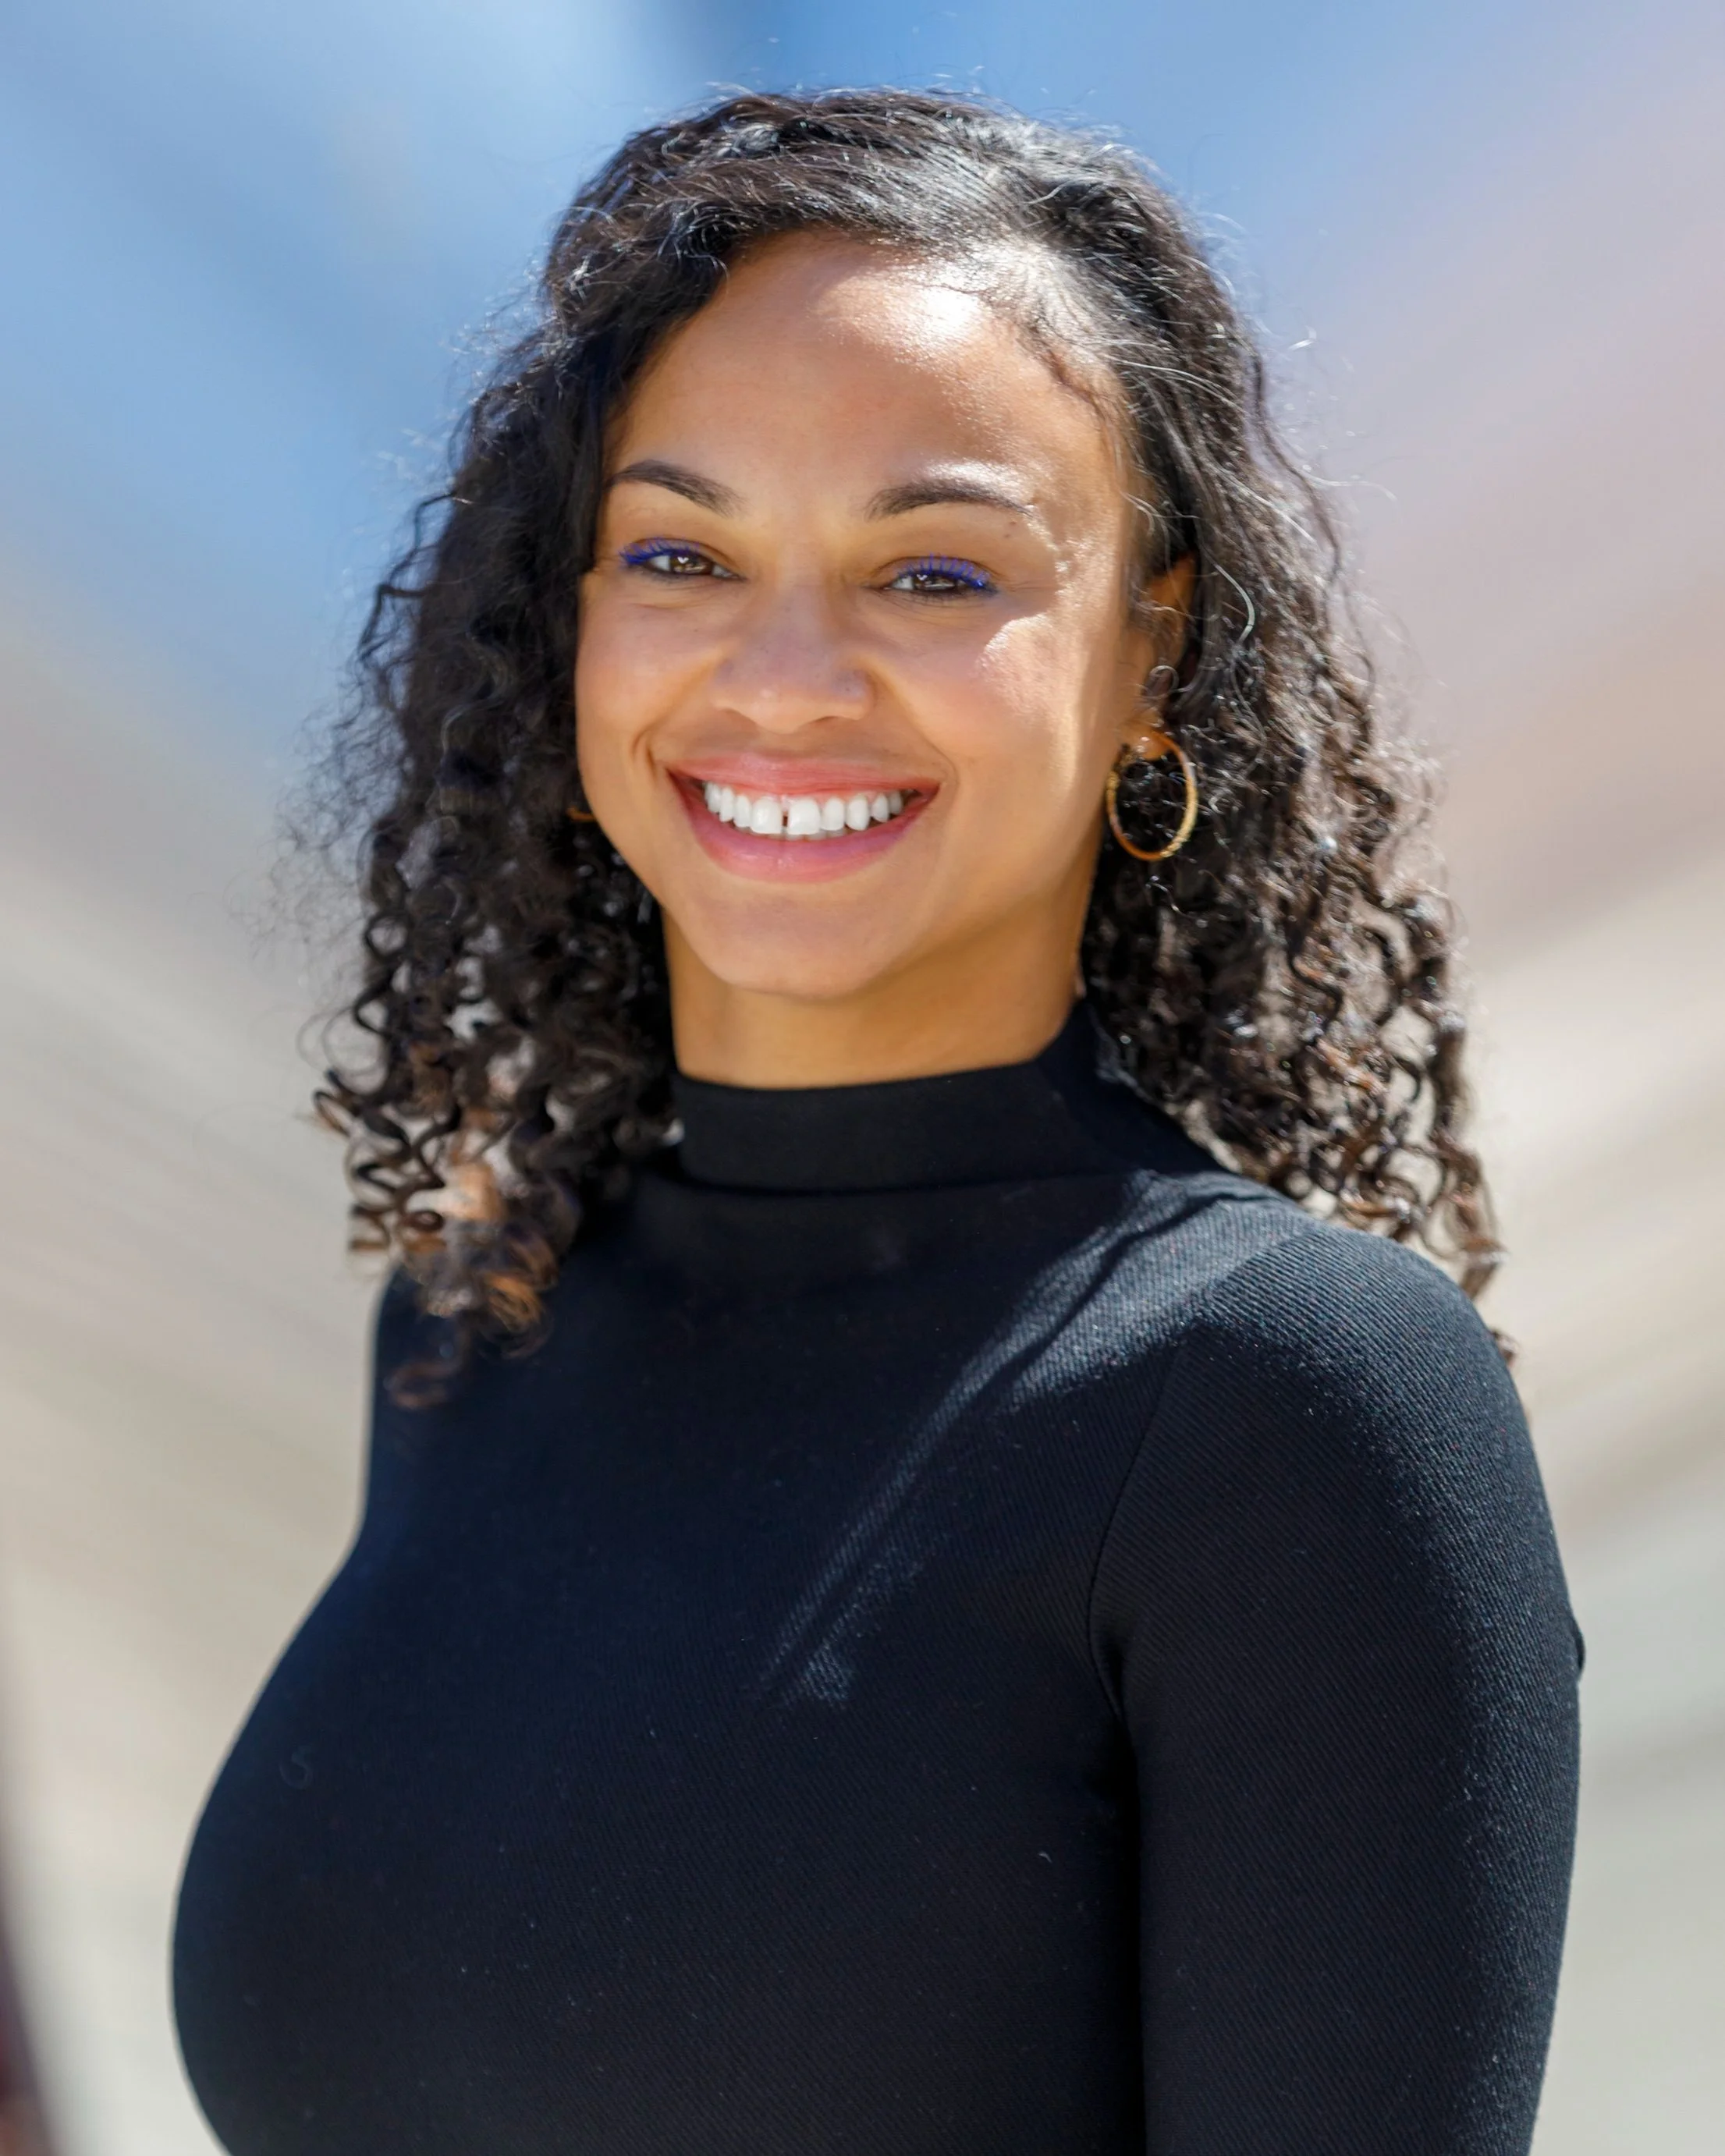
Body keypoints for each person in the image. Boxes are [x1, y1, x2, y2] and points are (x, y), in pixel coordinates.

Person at [173, 89, 1580, 2155]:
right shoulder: (483, 1324)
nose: (787, 673)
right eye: (681, 550)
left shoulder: (1286, 1405)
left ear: (1152, 645)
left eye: (935, 571)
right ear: (568, 619)